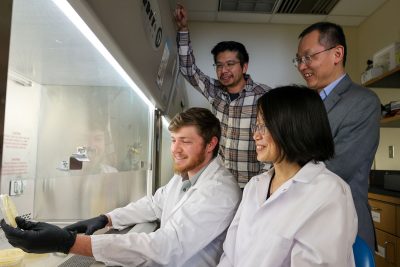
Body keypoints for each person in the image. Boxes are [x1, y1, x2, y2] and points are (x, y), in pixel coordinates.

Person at [1, 107, 242, 267]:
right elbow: (153, 204)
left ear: (211, 144)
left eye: (185, 142)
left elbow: (168, 246)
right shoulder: (186, 177)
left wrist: (67, 243)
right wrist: (106, 218)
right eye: (173, 140)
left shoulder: (218, 190)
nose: (175, 150)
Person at [218, 85, 358, 266]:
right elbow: (230, 254)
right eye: (256, 125)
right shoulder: (255, 185)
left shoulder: (329, 193)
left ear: (292, 128)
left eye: (264, 126)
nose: (255, 135)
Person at [294, 22, 381, 251]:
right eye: (298, 60)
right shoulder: (306, 104)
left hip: (343, 226)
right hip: (304, 225)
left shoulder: (363, 102)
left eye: (308, 57)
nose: (302, 66)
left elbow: (336, 168)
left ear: (337, 53)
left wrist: (284, 176)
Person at [174, 4, 271, 187]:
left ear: (244, 67)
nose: (224, 70)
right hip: (221, 184)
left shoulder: (264, 95)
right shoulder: (214, 91)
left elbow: (273, 139)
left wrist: (264, 184)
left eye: (230, 64)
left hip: (253, 185)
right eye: (219, 65)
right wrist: (183, 29)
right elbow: (188, 70)